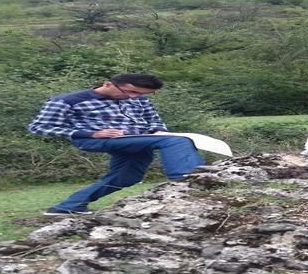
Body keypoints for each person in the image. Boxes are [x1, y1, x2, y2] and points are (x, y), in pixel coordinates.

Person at [28, 73, 205, 216]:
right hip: (95, 140)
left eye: (141, 94)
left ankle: (68, 207)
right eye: (130, 92)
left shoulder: (140, 99)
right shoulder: (67, 100)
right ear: (108, 84)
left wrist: (158, 130)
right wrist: (91, 133)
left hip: (138, 139)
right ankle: (189, 183)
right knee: (177, 141)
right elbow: (39, 127)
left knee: (127, 176)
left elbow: (153, 119)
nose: (134, 97)